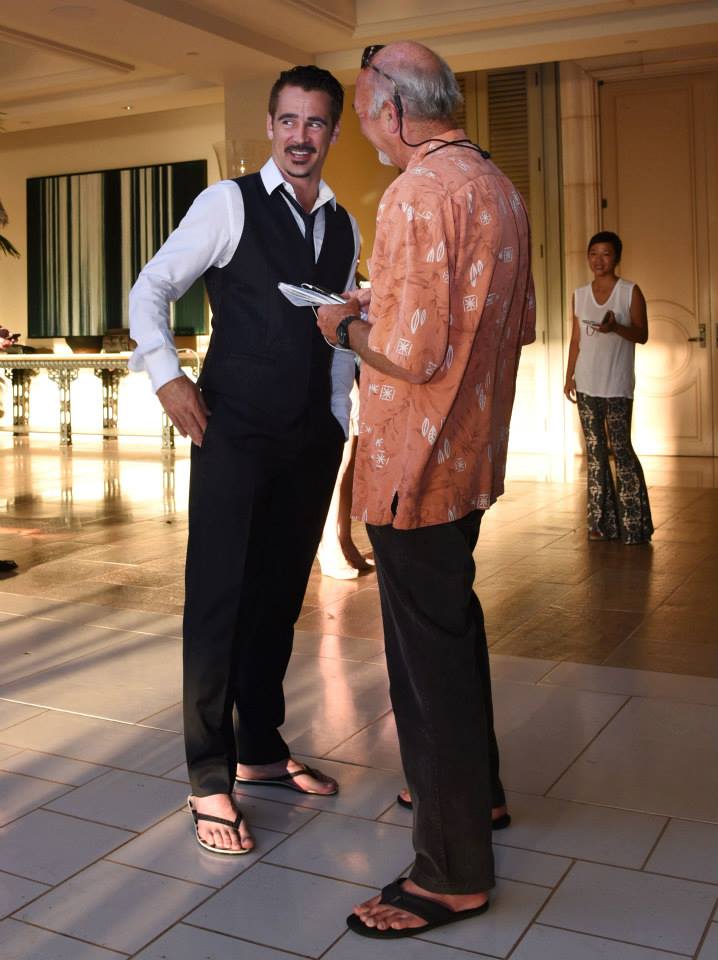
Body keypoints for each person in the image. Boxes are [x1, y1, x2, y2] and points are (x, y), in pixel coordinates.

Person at [317, 41, 535, 938]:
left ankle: (450, 874)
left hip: (415, 465)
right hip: (472, 454)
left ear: (396, 111)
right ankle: (472, 794)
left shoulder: (415, 193)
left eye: (366, 110)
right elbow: (506, 323)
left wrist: (342, 324)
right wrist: (390, 303)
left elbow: (410, 352)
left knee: (425, 661)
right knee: (453, 629)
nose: (364, 126)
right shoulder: (498, 184)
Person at [129, 65, 359, 855]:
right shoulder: (228, 204)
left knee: (277, 600)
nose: (301, 137)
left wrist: (337, 422)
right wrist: (167, 377)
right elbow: (150, 287)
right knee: (220, 600)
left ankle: (259, 748)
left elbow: (337, 337)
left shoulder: (344, 224)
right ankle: (207, 778)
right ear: (271, 126)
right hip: (234, 432)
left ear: (333, 132)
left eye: (317, 123)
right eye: (289, 121)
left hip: (308, 441)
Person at [564, 231, 653, 544]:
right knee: (595, 453)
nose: (598, 260)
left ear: (616, 258)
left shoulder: (630, 292)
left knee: (622, 450)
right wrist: (569, 375)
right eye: (593, 254)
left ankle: (634, 523)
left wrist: (616, 327)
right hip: (587, 382)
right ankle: (600, 524)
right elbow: (576, 339)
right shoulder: (579, 294)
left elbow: (642, 335)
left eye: (605, 254)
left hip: (616, 383)